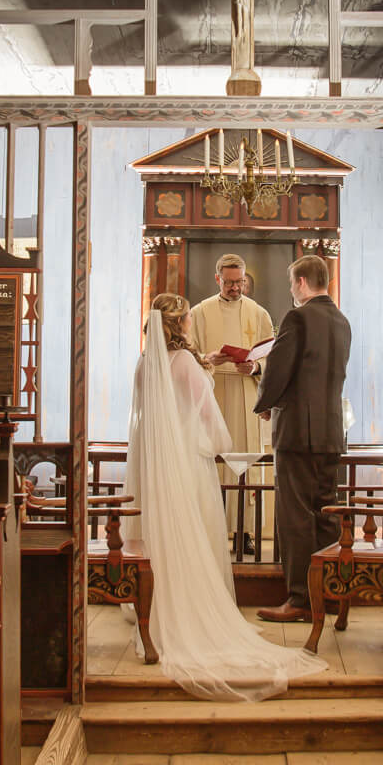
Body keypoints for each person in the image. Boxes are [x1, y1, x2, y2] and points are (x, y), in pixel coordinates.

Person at [120, 294, 325, 700]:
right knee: (192, 537)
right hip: (187, 469)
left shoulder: (145, 364)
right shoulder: (187, 365)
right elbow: (214, 428)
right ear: (180, 324)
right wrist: (220, 443)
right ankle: (191, 609)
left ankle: (157, 609)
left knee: (163, 538)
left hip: (153, 471)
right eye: (187, 319)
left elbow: (144, 422)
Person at [252, 255, 351, 623]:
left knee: (294, 517)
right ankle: (329, 595)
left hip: (296, 434)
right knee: (326, 515)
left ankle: (299, 600)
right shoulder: (342, 321)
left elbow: (279, 368)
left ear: (302, 282)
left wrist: (264, 403)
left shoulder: (298, 317)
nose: (292, 289)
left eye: (293, 282)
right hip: (331, 432)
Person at [191, 253, 274, 548]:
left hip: (246, 393)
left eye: (239, 282)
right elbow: (187, 353)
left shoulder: (259, 314)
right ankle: (209, 532)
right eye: (228, 282)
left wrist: (255, 367)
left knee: (245, 462)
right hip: (212, 394)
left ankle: (244, 532)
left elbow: (272, 356)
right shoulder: (200, 313)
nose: (235, 287)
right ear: (218, 279)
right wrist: (207, 358)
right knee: (212, 461)